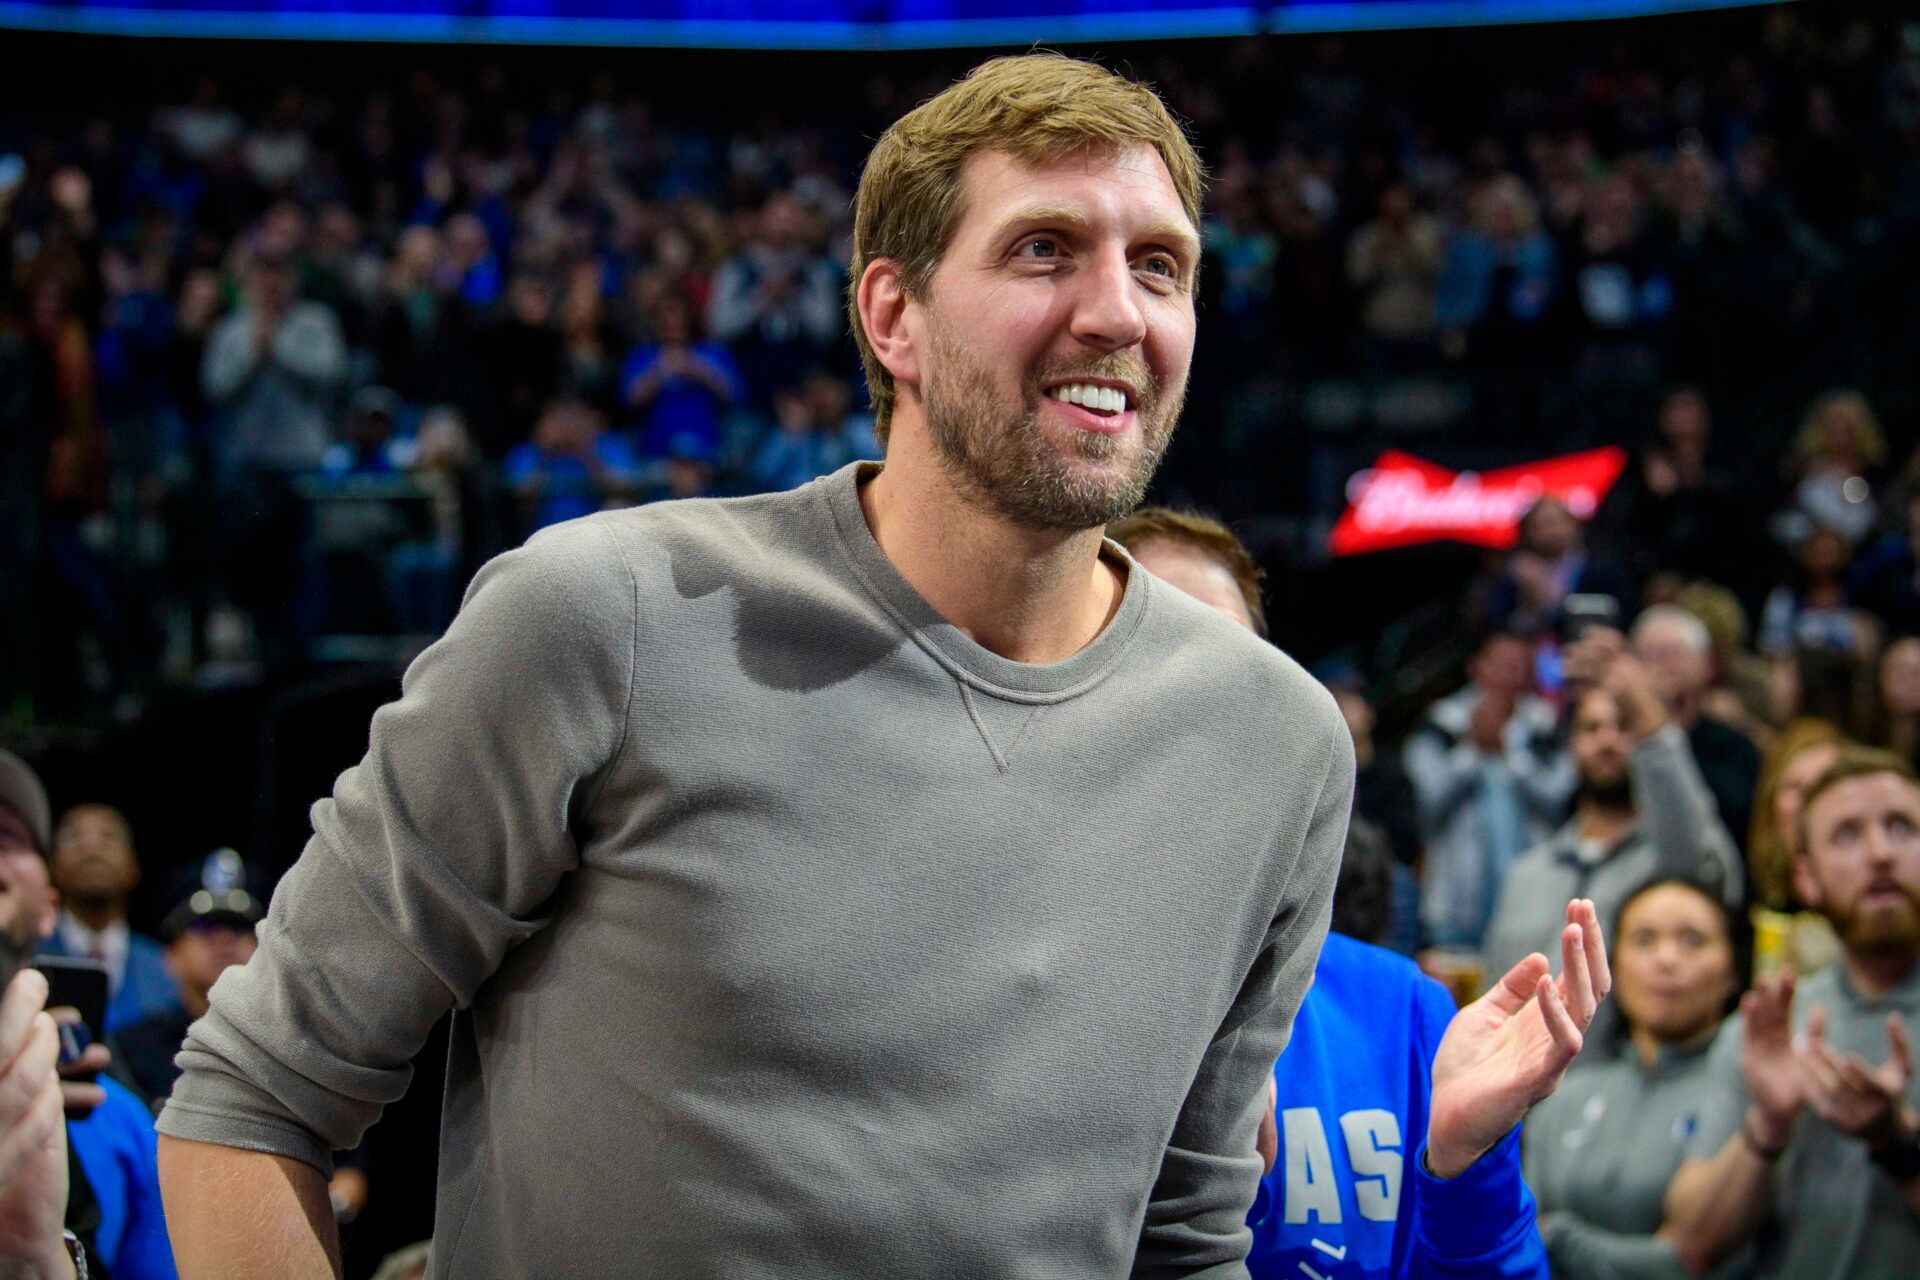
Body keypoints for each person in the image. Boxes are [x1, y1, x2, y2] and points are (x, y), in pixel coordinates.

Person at [157, 54, 1363, 1277]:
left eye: (1159, 265)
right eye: (1044, 250)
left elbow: (1184, 1239)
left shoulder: (1277, 744)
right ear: (893, 315)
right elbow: (253, 1102)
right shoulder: (603, 617)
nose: (1117, 313)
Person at [1116, 507, 1613, 1280]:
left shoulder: (1402, 1014)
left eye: (1231, 661)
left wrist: (1466, 1167)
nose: (1197, 696)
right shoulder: (1001, 1004)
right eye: (1148, 648)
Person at [1664, 746, 1920, 1278]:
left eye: (1902, 827)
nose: (1880, 853)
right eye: (1847, 835)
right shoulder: (1769, 1029)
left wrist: (1898, 1145)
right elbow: (1693, 1246)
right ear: (1806, 877)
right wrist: (1770, 1122)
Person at [1480, 627, 1742, 1050]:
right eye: (1591, 728)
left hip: (1624, 1083)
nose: (1607, 740)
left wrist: (1649, 720)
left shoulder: (1669, 862)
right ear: (1571, 747)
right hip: (1518, 1083)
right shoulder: (1528, 873)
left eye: (1623, 726)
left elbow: (1710, 866)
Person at [0, 750, 176, 1280]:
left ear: (48, 904)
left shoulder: (120, 1119)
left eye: (8, 837)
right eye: (75, 837)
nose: (93, 848)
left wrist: (37, 1258)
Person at [1522, 877, 1749, 1278]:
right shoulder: (1564, 1095)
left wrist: (1559, 1238)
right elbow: (1520, 1242)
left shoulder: (1747, 1097)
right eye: (1644, 940)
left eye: (1692, 941)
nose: (1666, 959)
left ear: (1733, 970)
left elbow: (1695, 1263)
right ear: (1612, 966)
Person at [1405, 628, 1575, 948]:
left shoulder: (1546, 725)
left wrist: (1511, 756)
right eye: (1501, 663)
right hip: (1454, 907)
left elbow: (1561, 803)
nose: (1510, 673)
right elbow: (1423, 809)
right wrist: (1471, 751)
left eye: (1520, 665)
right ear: (1475, 666)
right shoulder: (1440, 723)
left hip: (1533, 906)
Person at [117, 851, 263, 1107]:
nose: (224, 938)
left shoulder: (298, 1050)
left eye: (239, 926)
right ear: (170, 955)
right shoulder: (130, 1053)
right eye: (204, 925)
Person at [38, 804, 180, 1034]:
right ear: (51, 866)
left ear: (133, 866)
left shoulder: (167, 968)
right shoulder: (26, 960)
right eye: (74, 838)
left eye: (109, 837)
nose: (92, 850)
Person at [1630, 605, 1761, 851]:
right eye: (1651, 655)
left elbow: (1732, 816)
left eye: (1673, 652)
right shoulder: (1623, 745)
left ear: (1707, 664)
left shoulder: (1735, 749)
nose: (1662, 665)